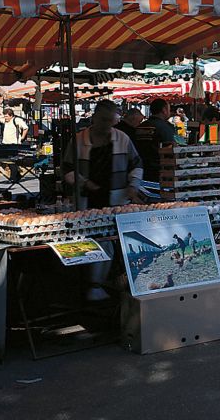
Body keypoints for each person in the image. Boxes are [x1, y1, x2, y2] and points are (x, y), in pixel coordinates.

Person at [63, 100, 143, 301]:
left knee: (109, 243)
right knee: (88, 244)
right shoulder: (79, 140)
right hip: (86, 202)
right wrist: (84, 183)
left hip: (116, 201)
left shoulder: (122, 139)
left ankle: (99, 285)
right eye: (104, 120)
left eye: (111, 120)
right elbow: (66, 169)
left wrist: (133, 186)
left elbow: (136, 164)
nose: (107, 124)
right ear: (95, 118)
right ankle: (89, 287)